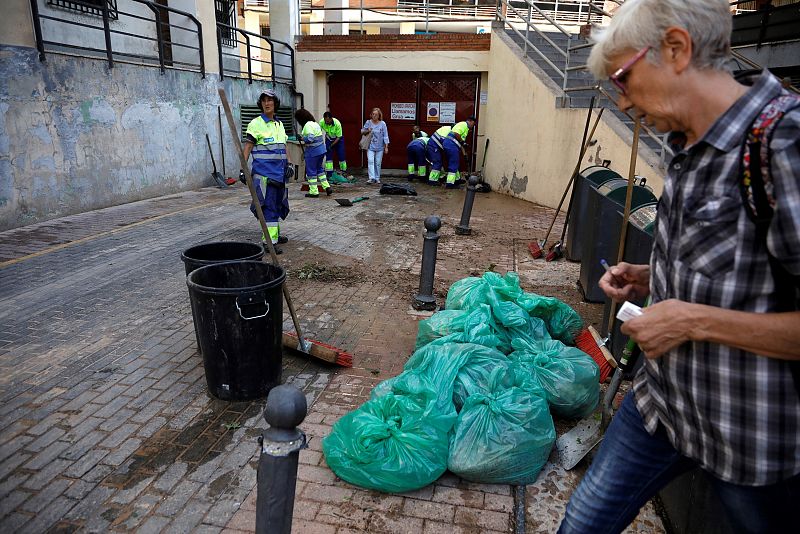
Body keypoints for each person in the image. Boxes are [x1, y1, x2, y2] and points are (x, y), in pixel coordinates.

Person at [558, 1, 800, 533]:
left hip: (748, 442)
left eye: (623, 78)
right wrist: (651, 275)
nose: (622, 102)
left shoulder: (783, 145)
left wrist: (691, 320)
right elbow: (736, 266)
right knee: (581, 524)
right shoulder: (684, 146)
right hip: (661, 406)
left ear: (676, 49)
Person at [243, 90, 292, 254]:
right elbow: (248, 147)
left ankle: (275, 235)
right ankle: (269, 242)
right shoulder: (256, 124)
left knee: (278, 204)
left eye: (270, 100)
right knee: (269, 207)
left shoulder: (279, 124)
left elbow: (284, 146)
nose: (266, 103)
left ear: (275, 103)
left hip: (280, 173)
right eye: (264, 100)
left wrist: (290, 164)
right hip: (265, 174)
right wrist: (243, 169)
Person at [295, 109, 331, 198]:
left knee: (311, 171)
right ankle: (327, 187)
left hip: (313, 152)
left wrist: (302, 138)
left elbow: (310, 138)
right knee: (320, 170)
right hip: (321, 150)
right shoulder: (315, 124)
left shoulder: (307, 125)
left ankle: (314, 191)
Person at [441, 116, 476, 188]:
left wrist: (464, 154)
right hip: (451, 145)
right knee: (454, 163)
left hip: (451, 145)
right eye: (473, 124)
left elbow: (461, 144)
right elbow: (456, 134)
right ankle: (450, 184)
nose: (473, 126)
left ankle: (456, 180)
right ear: (470, 121)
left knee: (455, 163)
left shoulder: (465, 128)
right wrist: (462, 142)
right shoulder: (464, 124)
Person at [361, 108, 390, 184]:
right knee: (370, 161)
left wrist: (386, 147)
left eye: (376, 114)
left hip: (380, 147)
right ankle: (371, 178)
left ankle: (377, 178)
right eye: (373, 114)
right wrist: (368, 130)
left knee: (378, 163)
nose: (374, 116)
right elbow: (362, 131)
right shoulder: (368, 122)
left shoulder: (383, 124)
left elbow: (385, 136)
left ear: (379, 115)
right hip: (370, 146)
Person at [320, 111, 349, 180]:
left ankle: (343, 172)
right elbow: (318, 132)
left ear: (331, 118)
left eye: (328, 121)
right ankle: (329, 174)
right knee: (328, 158)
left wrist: (331, 145)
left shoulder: (337, 123)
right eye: (325, 121)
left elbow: (339, 137)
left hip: (338, 140)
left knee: (341, 156)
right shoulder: (321, 122)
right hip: (329, 138)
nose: (326, 122)